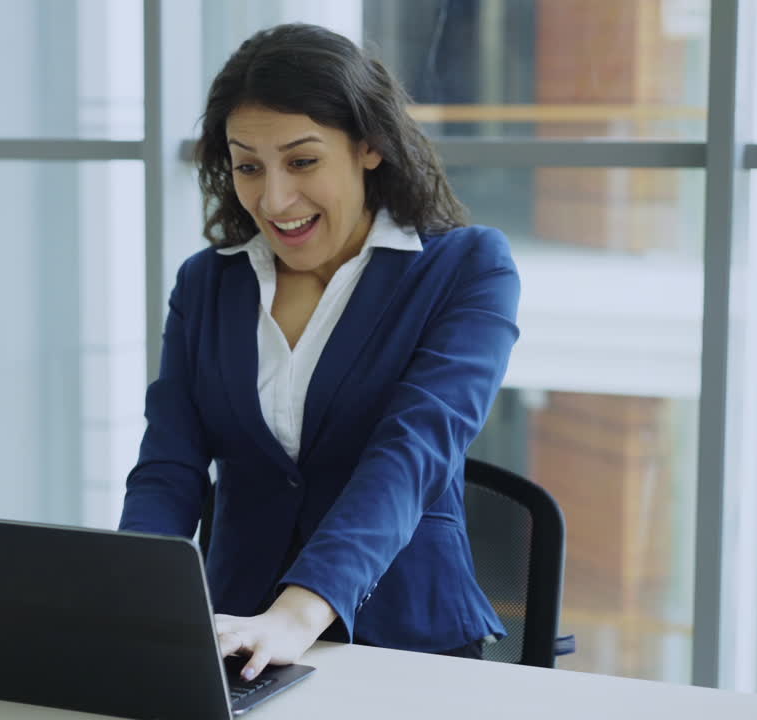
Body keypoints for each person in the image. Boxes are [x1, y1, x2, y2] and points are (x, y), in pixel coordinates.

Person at [118, 23, 519, 681]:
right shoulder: (208, 282)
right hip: (234, 637)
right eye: (249, 166)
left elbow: (413, 453)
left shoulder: (467, 269)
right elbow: (169, 464)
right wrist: (130, 598)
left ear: (369, 146)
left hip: (405, 645)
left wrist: (299, 615)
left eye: (302, 161)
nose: (274, 200)